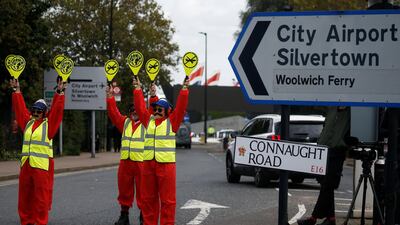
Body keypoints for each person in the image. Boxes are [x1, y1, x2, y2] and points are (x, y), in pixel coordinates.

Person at [133, 76, 189, 225]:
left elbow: (181, 107)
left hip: (166, 166)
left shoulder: (172, 122)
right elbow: (139, 107)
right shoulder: (148, 120)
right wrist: (138, 89)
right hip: (148, 165)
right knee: (147, 199)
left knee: (168, 201)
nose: (157, 111)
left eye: (160, 109)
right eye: (155, 108)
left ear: (167, 111)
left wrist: (184, 90)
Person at [11, 77, 66, 225]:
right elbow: (19, 108)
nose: (35, 113)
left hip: (42, 167)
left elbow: (57, 111)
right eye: (34, 110)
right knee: (24, 198)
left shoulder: (49, 125)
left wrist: (59, 93)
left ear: (44, 113)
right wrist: (17, 90)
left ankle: (40, 222)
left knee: (41, 199)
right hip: (26, 166)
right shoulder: (27, 122)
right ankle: (26, 222)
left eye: (39, 111)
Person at [106, 82, 158, 225]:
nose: (135, 112)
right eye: (132, 110)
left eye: (137, 110)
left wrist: (153, 96)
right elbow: (113, 113)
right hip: (126, 163)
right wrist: (110, 97)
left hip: (142, 163)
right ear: (129, 112)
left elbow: (153, 110)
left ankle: (143, 216)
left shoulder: (148, 123)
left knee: (144, 192)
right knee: (124, 190)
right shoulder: (125, 123)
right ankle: (124, 216)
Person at [297, 106, 350, 225]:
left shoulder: (351, 112)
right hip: (323, 151)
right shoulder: (331, 108)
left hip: (337, 151)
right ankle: (331, 219)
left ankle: (313, 218)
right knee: (325, 184)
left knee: (328, 184)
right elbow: (315, 103)